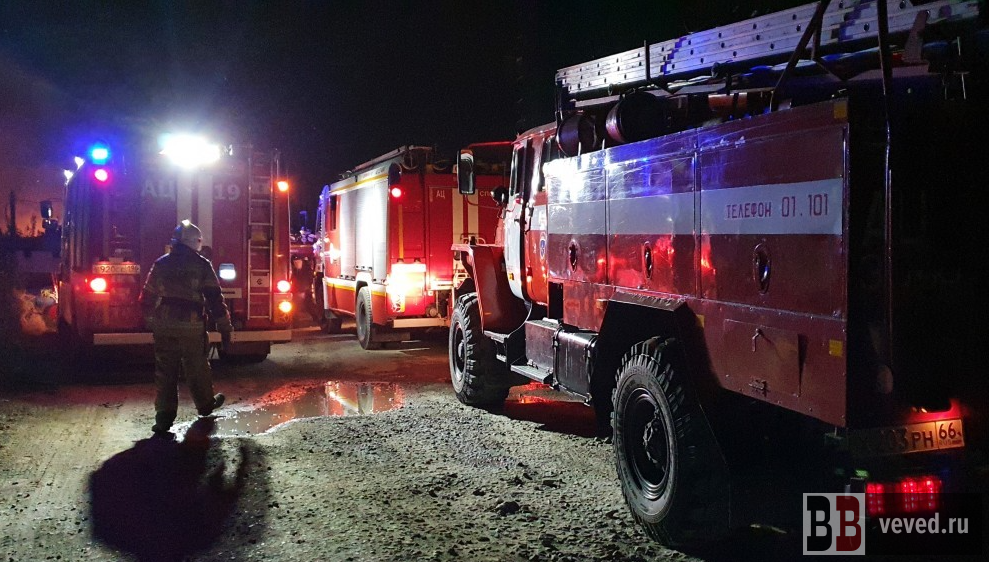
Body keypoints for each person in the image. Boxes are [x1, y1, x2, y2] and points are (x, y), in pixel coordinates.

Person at [139, 220, 233, 438]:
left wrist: (150, 320)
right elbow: (215, 299)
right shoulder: (202, 265)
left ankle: (164, 417)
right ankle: (205, 405)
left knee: (165, 371)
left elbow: (146, 297)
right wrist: (225, 327)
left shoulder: (161, 263)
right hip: (191, 327)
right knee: (197, 367)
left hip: (164, 326)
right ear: (195, 242)